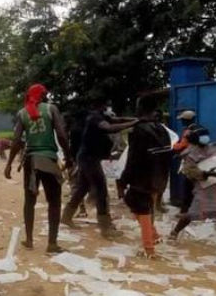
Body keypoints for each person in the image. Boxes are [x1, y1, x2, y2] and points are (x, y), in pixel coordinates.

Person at [4, 84, 71, 253]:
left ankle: (29, 240)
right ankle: (52, 243)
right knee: (54, 202)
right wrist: (69, 157)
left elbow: (17, 140)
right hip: (48, 159)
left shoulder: (22, 113)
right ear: (42, 95)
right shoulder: (51, 109)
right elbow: (62, 135)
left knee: (30, 201)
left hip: (31, 161)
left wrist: (9, 164)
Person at [61, 95, 140, 239]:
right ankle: (105, 228)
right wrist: (133, 124)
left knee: (82, 189)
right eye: (106, 104)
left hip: (87, 157)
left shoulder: (99, 116)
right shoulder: (95, 118)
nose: (108, 108)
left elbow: (116, 120)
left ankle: (66, 216)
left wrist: (136, 120)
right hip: (89, 159)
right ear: (101, 105)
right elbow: (110, 127)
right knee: (101, 191)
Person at [119, 96, 172, 258]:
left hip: (142, 177)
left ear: (141, 108)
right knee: (140, 205)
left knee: (141, 208)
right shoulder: (162, 129)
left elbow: (133, 157)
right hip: (159, 176)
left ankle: (149, 249)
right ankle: (153, 235)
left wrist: (124, 179)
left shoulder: (139, 130)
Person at [173, 110, 197, 214]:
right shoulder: (197, 128)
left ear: (186, 120)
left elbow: (182, 146)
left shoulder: (187, 131)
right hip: (197, 159)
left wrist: (173, 145)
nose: (181, 122)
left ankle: (184, 210)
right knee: (194, 185)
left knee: (187, 187)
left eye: (182, 120)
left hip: (189, 160)